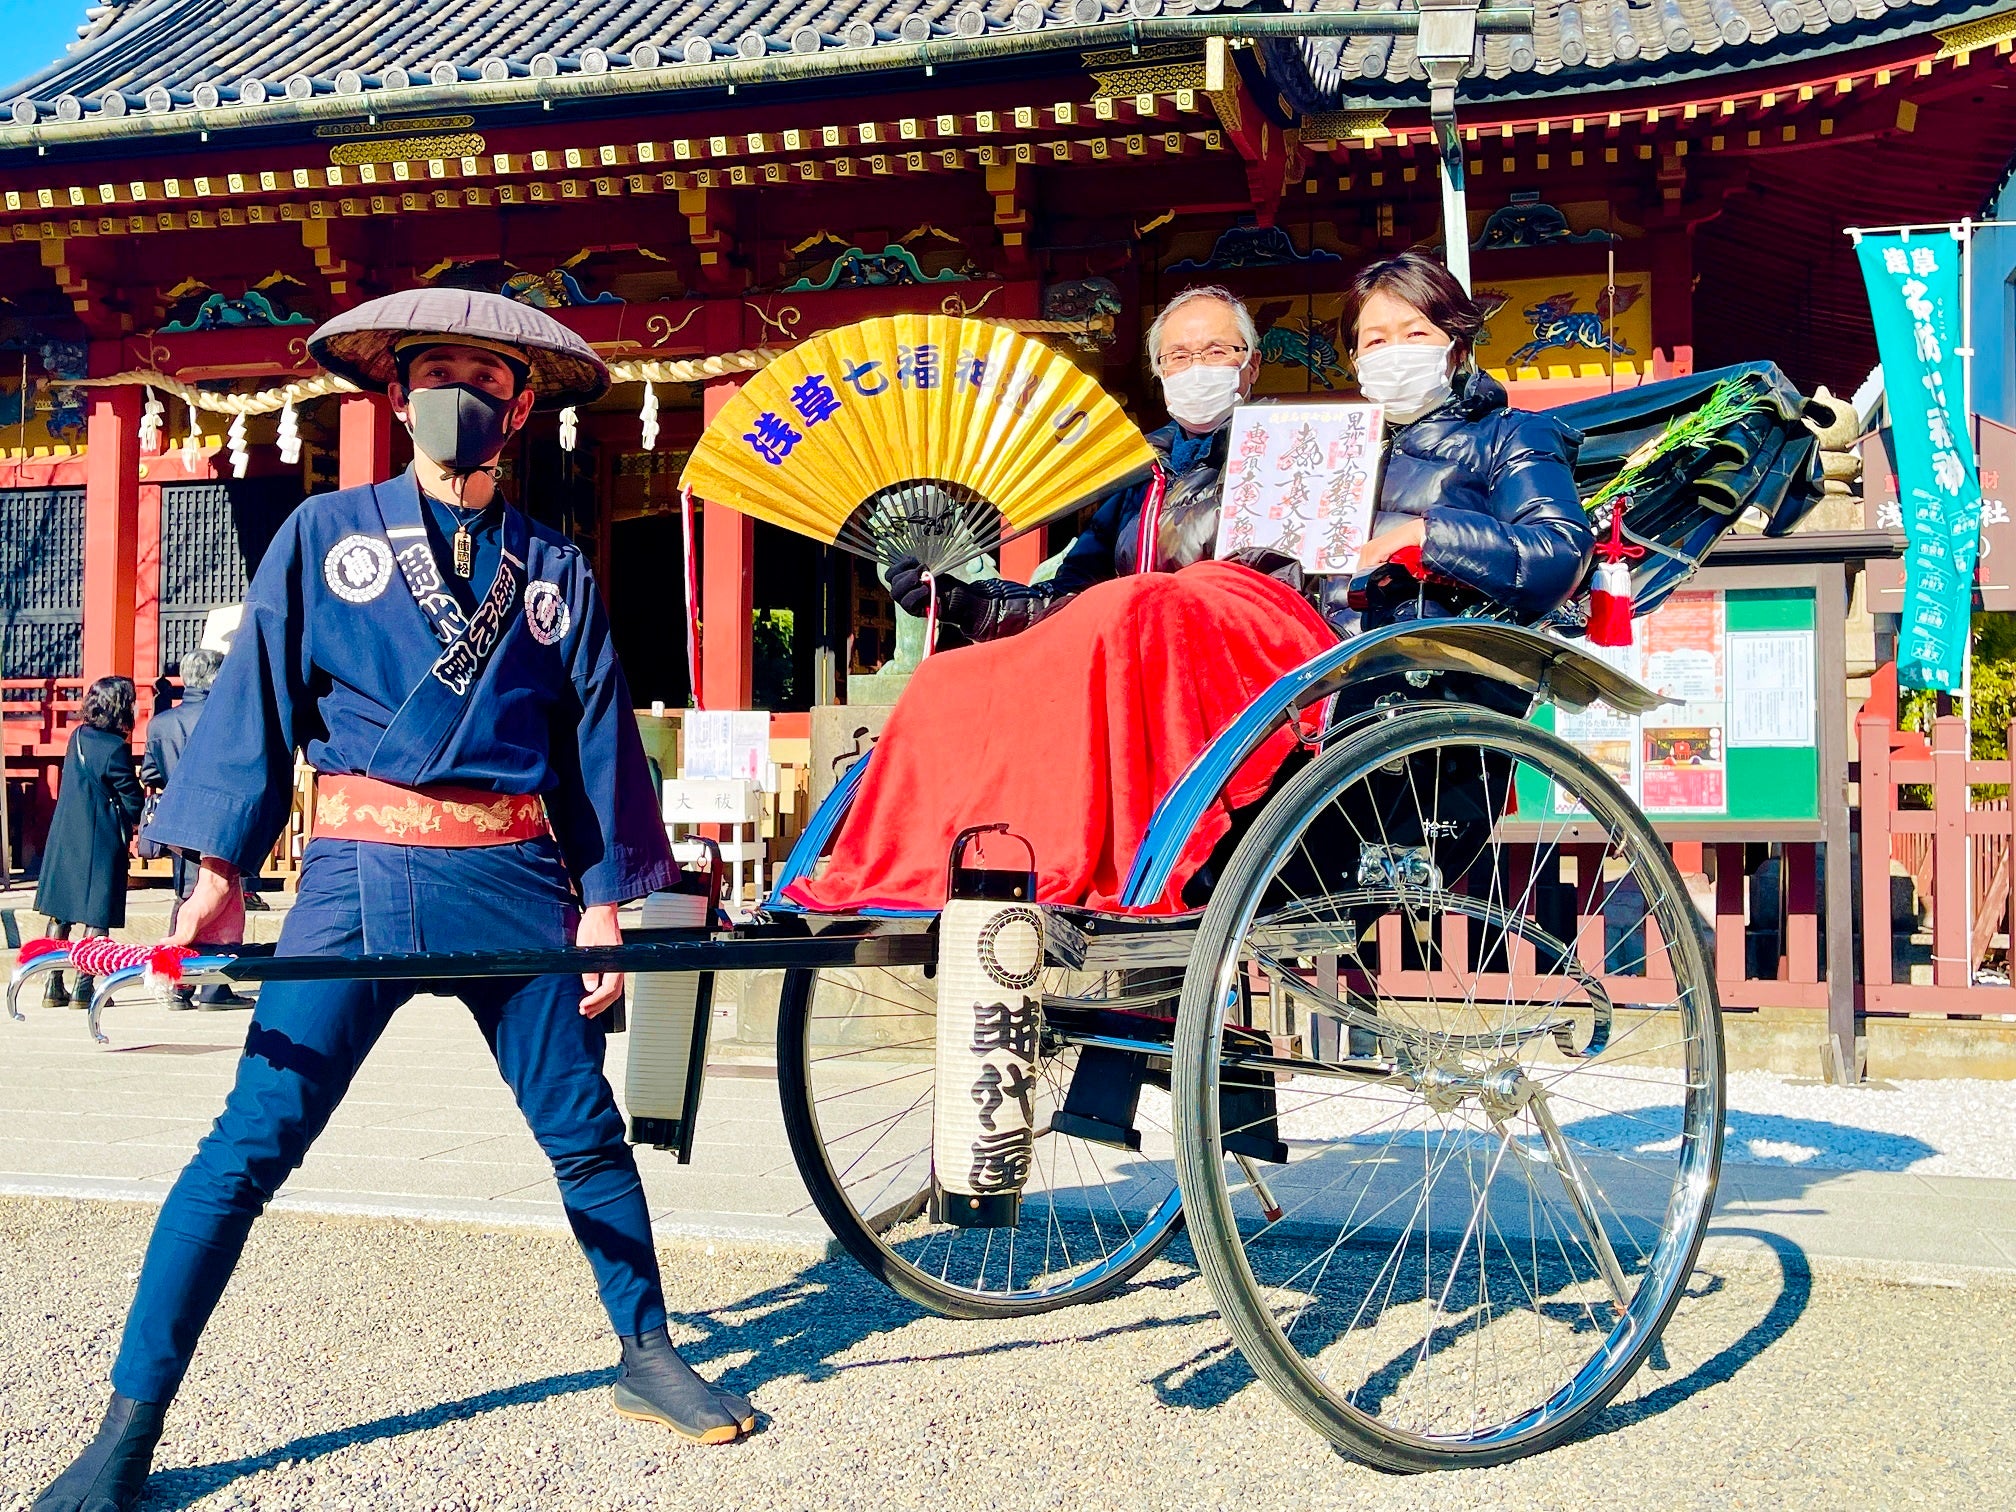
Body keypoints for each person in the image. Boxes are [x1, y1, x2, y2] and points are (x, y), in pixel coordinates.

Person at [34, 291, 750, 1512]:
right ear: (397, 394)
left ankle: (644, 1350)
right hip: (354, 882)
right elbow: (255, 705)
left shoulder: (558, 570)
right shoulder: (321, 536)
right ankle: (125, 1428)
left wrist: (604, 903)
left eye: (483, 378)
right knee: (246, 1147)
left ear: (519, 410)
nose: (458, 397)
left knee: (584, 1135)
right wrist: (215, 875)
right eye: (436, 373)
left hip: (518, 882)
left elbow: (593, 749)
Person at [789, 259, 1592, 913]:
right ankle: (939, 862)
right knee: (968, 671)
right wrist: (972, 604)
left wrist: (1427, 534)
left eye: (1412, 333)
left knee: (1146, 604)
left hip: (1363, 671)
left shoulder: (1506, 437)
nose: (1392, 352)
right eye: (1373, 338)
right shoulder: (1292, 449)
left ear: (1454, 341)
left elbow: (1558, 552)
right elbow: (1078, 592)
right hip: (1222, 642)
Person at [140, 648, 253, 1010]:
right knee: (222, 895)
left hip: (178, 822)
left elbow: (150, 775)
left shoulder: (161, 724)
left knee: (187, 895)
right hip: (218, 819)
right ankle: (214, 986)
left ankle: (177, 984)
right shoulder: (226, 718)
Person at [35, 676, 146, 1009]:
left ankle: (52, 985)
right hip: (101, 840)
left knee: (61, 914)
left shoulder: (77, 737)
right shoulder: (115, 749)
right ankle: (85, 988)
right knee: (97, 915)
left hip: (68, 835)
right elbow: (132, 800)